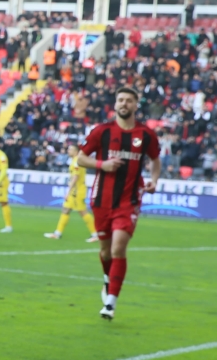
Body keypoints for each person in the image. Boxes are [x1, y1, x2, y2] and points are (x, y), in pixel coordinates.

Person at [77, 87, 160, 320]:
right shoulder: (101, 131)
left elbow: (155, 160)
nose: (124, 104)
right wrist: (102, 165)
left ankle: (110, 303)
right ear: (115, 104)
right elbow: (80, 158)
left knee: (117, 248)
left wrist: (153, 180)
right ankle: (107, 279)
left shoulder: (146, 135)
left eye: (129, 101)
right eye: (121, 100)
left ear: (136, 105)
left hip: (129, 201)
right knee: (105, 251)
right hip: (102, 201)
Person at [45, 143, 99, 242]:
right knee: (66, 209)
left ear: (76, 151)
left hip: (77, 191)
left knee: (83, 212)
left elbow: (75, 177)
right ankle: (57, 233)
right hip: (75, 191)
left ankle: (95, 234)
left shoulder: (77, 161)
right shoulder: (75, 160)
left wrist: (68, 192)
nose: (68, 151)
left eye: (70, 150)